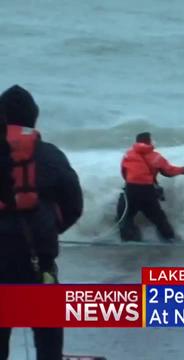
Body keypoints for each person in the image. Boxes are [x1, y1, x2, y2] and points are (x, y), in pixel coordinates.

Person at [0, 85, 83, 360]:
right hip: (38, 260)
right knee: (48, 340)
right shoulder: (50, 155)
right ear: (33, 119)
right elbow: (74, 205)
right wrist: (49, 230)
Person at [118, 132, 184, 242]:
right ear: (149, 141)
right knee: (159, 218)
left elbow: (124, 172)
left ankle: (128, 239)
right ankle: (169, 238)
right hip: (147, 192)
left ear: (137, 142)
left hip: (130, 190)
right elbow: (168, 171)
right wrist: (182, 170)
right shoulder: (156, 157)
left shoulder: (128, 155)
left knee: (125, 216)